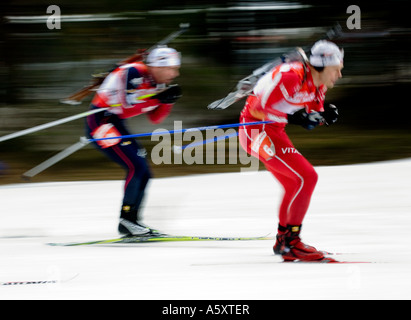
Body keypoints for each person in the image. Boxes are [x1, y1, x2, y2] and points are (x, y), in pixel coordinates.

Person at [238, 40, 343, 262]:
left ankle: (283, 241)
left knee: (293, 183)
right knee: (307, 177)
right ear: (323, 66)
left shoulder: (319, 84)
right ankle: (292, 243)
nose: (339, 75)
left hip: (273, 131)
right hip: (255, 131)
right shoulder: (291, 75)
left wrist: (324, 118)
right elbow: (257, 109)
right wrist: (293, 117)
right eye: (337, 70)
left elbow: (310, 118)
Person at [86, 46, 182, 236]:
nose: (175, 73)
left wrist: (167, 101)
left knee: (144, 171)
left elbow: (154, 119)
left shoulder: (157, 84)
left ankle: (133, 222)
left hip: (114, 122)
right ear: (158, 66)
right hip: (100, 122)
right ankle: (127, 221)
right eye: (172, 68)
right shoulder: (135, 71)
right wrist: (157, 99)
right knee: (136, 167)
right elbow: (127, 104)